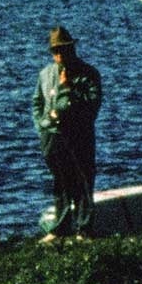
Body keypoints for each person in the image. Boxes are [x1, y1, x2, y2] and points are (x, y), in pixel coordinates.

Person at [32, 26, 103, 241]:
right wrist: (42, 126)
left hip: (79, 136)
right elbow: (37, 102)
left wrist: (70, 90)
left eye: (63, 50)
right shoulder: (45, 74)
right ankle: (60, 228)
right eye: (55, 51)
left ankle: (84, 229)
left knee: (82, 182)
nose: (59, 55)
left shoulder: (89, 74)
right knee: (60, 183)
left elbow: (93, 104)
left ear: (72, 49)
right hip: (52, 137)